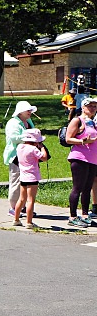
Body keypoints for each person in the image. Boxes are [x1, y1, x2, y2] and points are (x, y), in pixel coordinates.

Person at [64, 97, 97, 228]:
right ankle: (72, 216)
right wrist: (83, 141)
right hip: (79, 158)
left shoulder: (93, 123)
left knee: (87, 188)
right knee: (77, 188)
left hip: (92, 159)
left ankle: (84, 215)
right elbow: (68, 139)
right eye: (90, 106)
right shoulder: (77, 120)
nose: (93, 108)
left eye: (95, 106)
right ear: (83, 107)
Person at [3, 101, 37, 219]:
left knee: (26, 182)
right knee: (16, 182)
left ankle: (22, 206)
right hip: (16, 155)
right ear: (20, 111)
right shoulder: (13, 123)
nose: (30, 112)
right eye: (27, 110)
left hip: (28, 156)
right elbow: (13, 138)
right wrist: (28, 137)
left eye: (30, 110)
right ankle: (13, 207)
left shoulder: (28, 121)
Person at [12, 129, 49, 229]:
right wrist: (42, 148)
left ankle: (16, 219)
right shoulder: (34, 149)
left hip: (23, 177)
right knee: (30, 200)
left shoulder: (20, 147)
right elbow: (44, 158)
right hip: (32, 177)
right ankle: (29, 222)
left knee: (21, 199)